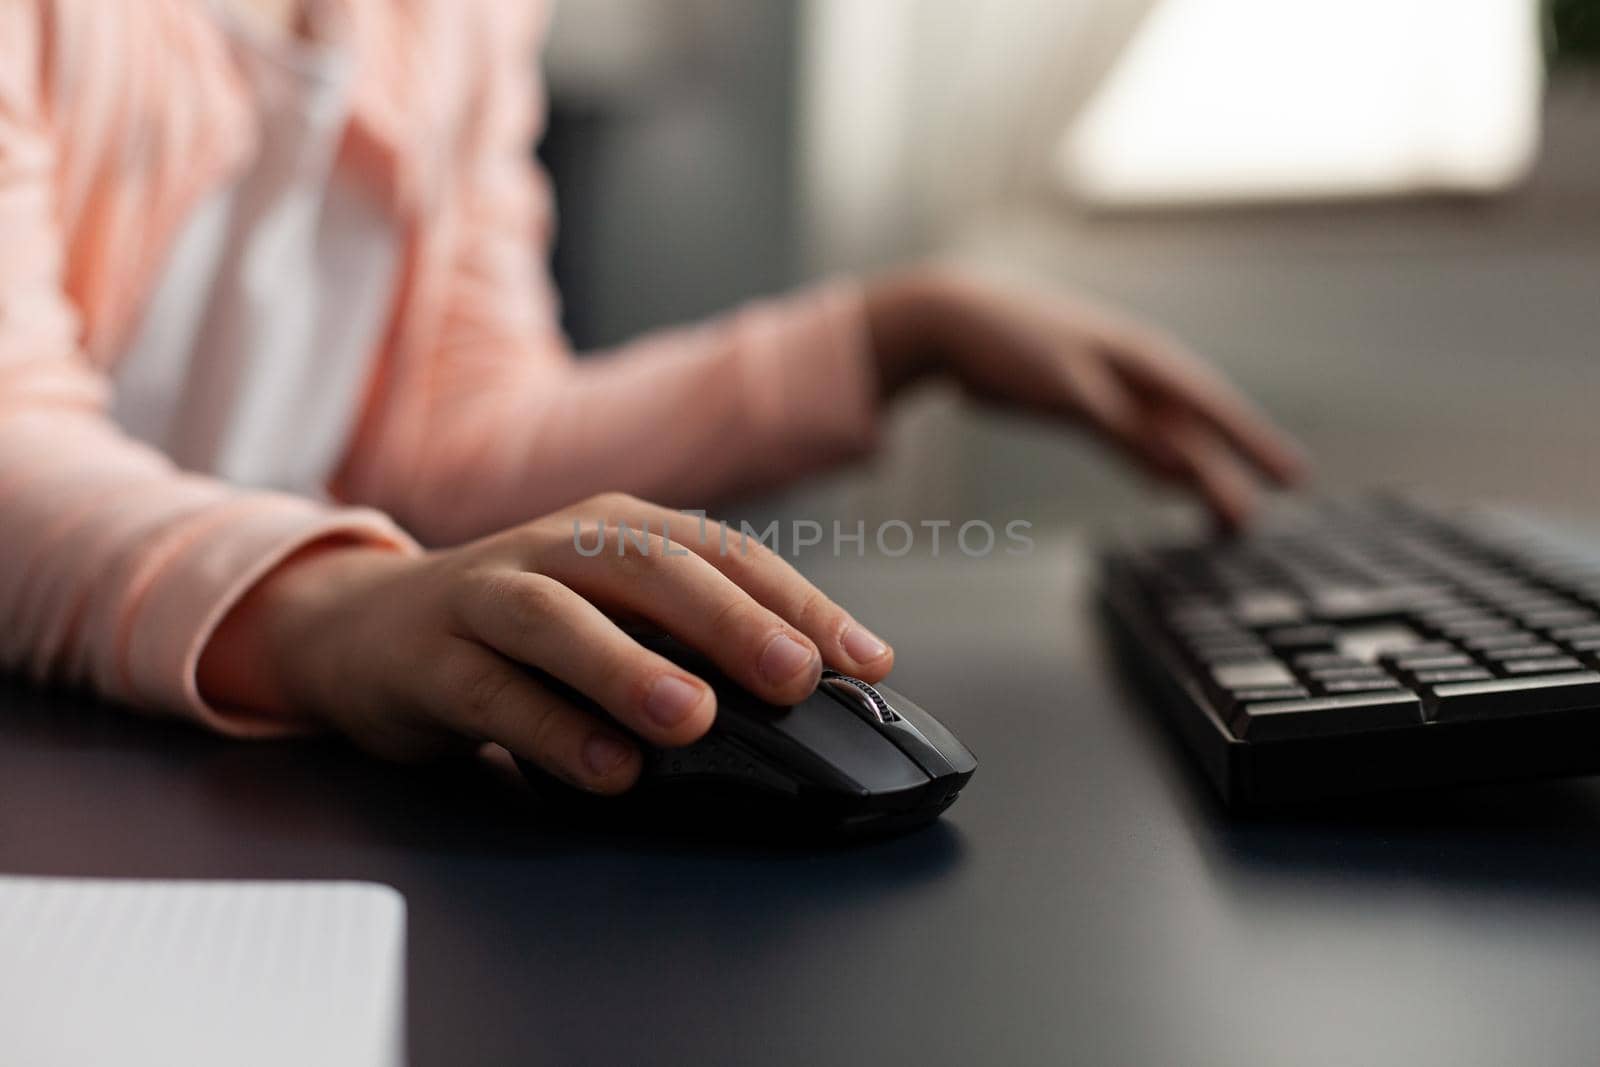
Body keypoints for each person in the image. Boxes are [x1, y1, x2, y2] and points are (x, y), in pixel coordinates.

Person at [0, 0, 1304, 794]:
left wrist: (893, 336)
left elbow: (457, 437)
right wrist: (330, 606)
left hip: (240, 754)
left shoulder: (455, 18)